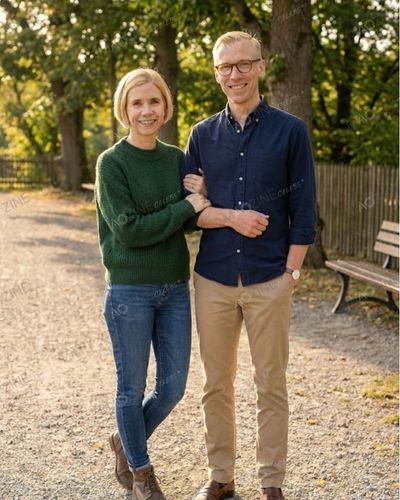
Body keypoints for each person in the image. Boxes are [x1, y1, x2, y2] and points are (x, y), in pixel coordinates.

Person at [182, 32, 316, 500]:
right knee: (215, 385)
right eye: (225, 68)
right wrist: (226, 215)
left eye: (242, 65)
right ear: (217, 73)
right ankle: (221, 475)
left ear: (260, 67)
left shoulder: (290, 131)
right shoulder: (200, 135)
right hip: (214, 277)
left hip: (269, 279)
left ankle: (271, 481)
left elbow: (304, 209)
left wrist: (291, 275)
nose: (234, 75)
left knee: (270, 384)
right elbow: (191, 207)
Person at [95, 68, 210, 500]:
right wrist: (185, 207)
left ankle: (126, 441)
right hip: (129, 291)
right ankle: (141, 473)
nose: (146, 110)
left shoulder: (176, 158)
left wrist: (202, 195)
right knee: (131, 388)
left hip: (174, 288)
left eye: (154, 102)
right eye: (137, 103)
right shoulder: (112, 163)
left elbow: (193, 222)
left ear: (166, 107)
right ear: (124, 109)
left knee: (174, 387)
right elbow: (129, 230)